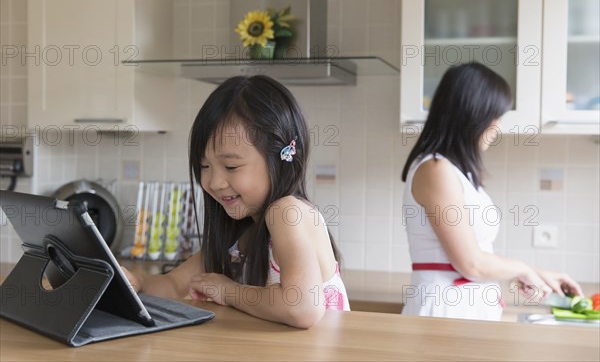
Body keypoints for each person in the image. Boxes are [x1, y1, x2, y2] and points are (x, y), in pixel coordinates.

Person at [125, 75, 350, 328]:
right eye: (204, 165)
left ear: (278, 158)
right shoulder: (241, 233)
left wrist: (228, 290)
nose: (214, 181)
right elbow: (174, 285)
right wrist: (137, 282)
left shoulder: (286, 212)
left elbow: (301, 307)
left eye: (231, 166)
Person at [400, 62, 582, 320]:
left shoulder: (457, 172)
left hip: (466, 311)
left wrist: (535, 274)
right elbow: (471, 264)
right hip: (444, 313)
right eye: (494, 117)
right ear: (471, 116)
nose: (497, 127)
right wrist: (522, 269)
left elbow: (479, 258)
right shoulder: (435, 169)